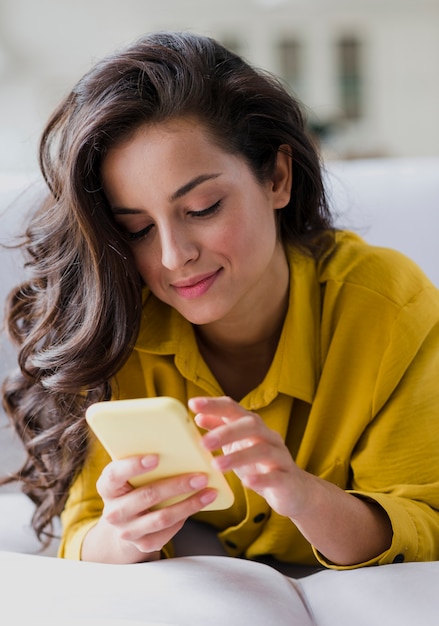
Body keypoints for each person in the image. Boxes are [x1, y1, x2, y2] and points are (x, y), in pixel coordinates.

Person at [2, 31, 439, 570]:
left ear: (277, 177)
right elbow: (85, 530)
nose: (171, 257)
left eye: (203, 208)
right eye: (136, 229)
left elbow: (424, 523)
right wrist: (128, 533)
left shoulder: (389, 308)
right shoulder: (123, 319)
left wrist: (305, 497)